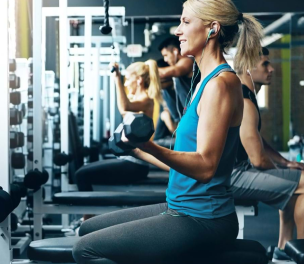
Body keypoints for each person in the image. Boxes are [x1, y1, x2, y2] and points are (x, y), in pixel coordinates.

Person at [72, 0, 262, 263]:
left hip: (204, 217)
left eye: (185, 22)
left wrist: (149, 145)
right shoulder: (202, 83)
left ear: (212, 29)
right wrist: (136, 149)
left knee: (85, 249)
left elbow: (205, 167)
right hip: (181, 206)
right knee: (86, 228)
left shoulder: (221, 84)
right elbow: (181, 161)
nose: (178, 31)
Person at [230, 47, 304, 261]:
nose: (271, 69)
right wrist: (281, 171)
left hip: (239, 170)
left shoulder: (247, 96)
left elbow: (258, 140)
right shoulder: (245, 101)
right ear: (248, 69)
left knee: (294, 187)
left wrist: (286, 163)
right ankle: (303, 255)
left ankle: (283, 251)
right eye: (265, 65)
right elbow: (258, 159)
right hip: (233, 175)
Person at [74, 60, 162, 193]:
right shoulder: (138, 100)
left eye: (127, 79)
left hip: (136, 165)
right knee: (81, 172)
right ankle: (89, 214)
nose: (126, 83)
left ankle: (88, 214)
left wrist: (116, 78)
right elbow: (126, 105)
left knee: (81, 175)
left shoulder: (146, 100)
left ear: (139, 80)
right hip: (129, 161)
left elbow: (124, 107)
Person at [154, 36, 195, 140]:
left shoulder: (187, 60)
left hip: (197, 115)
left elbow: (174, 70)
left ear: (175, 51)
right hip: (189, 117)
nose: (165, 59)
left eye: (166, 55)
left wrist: (147, 69)